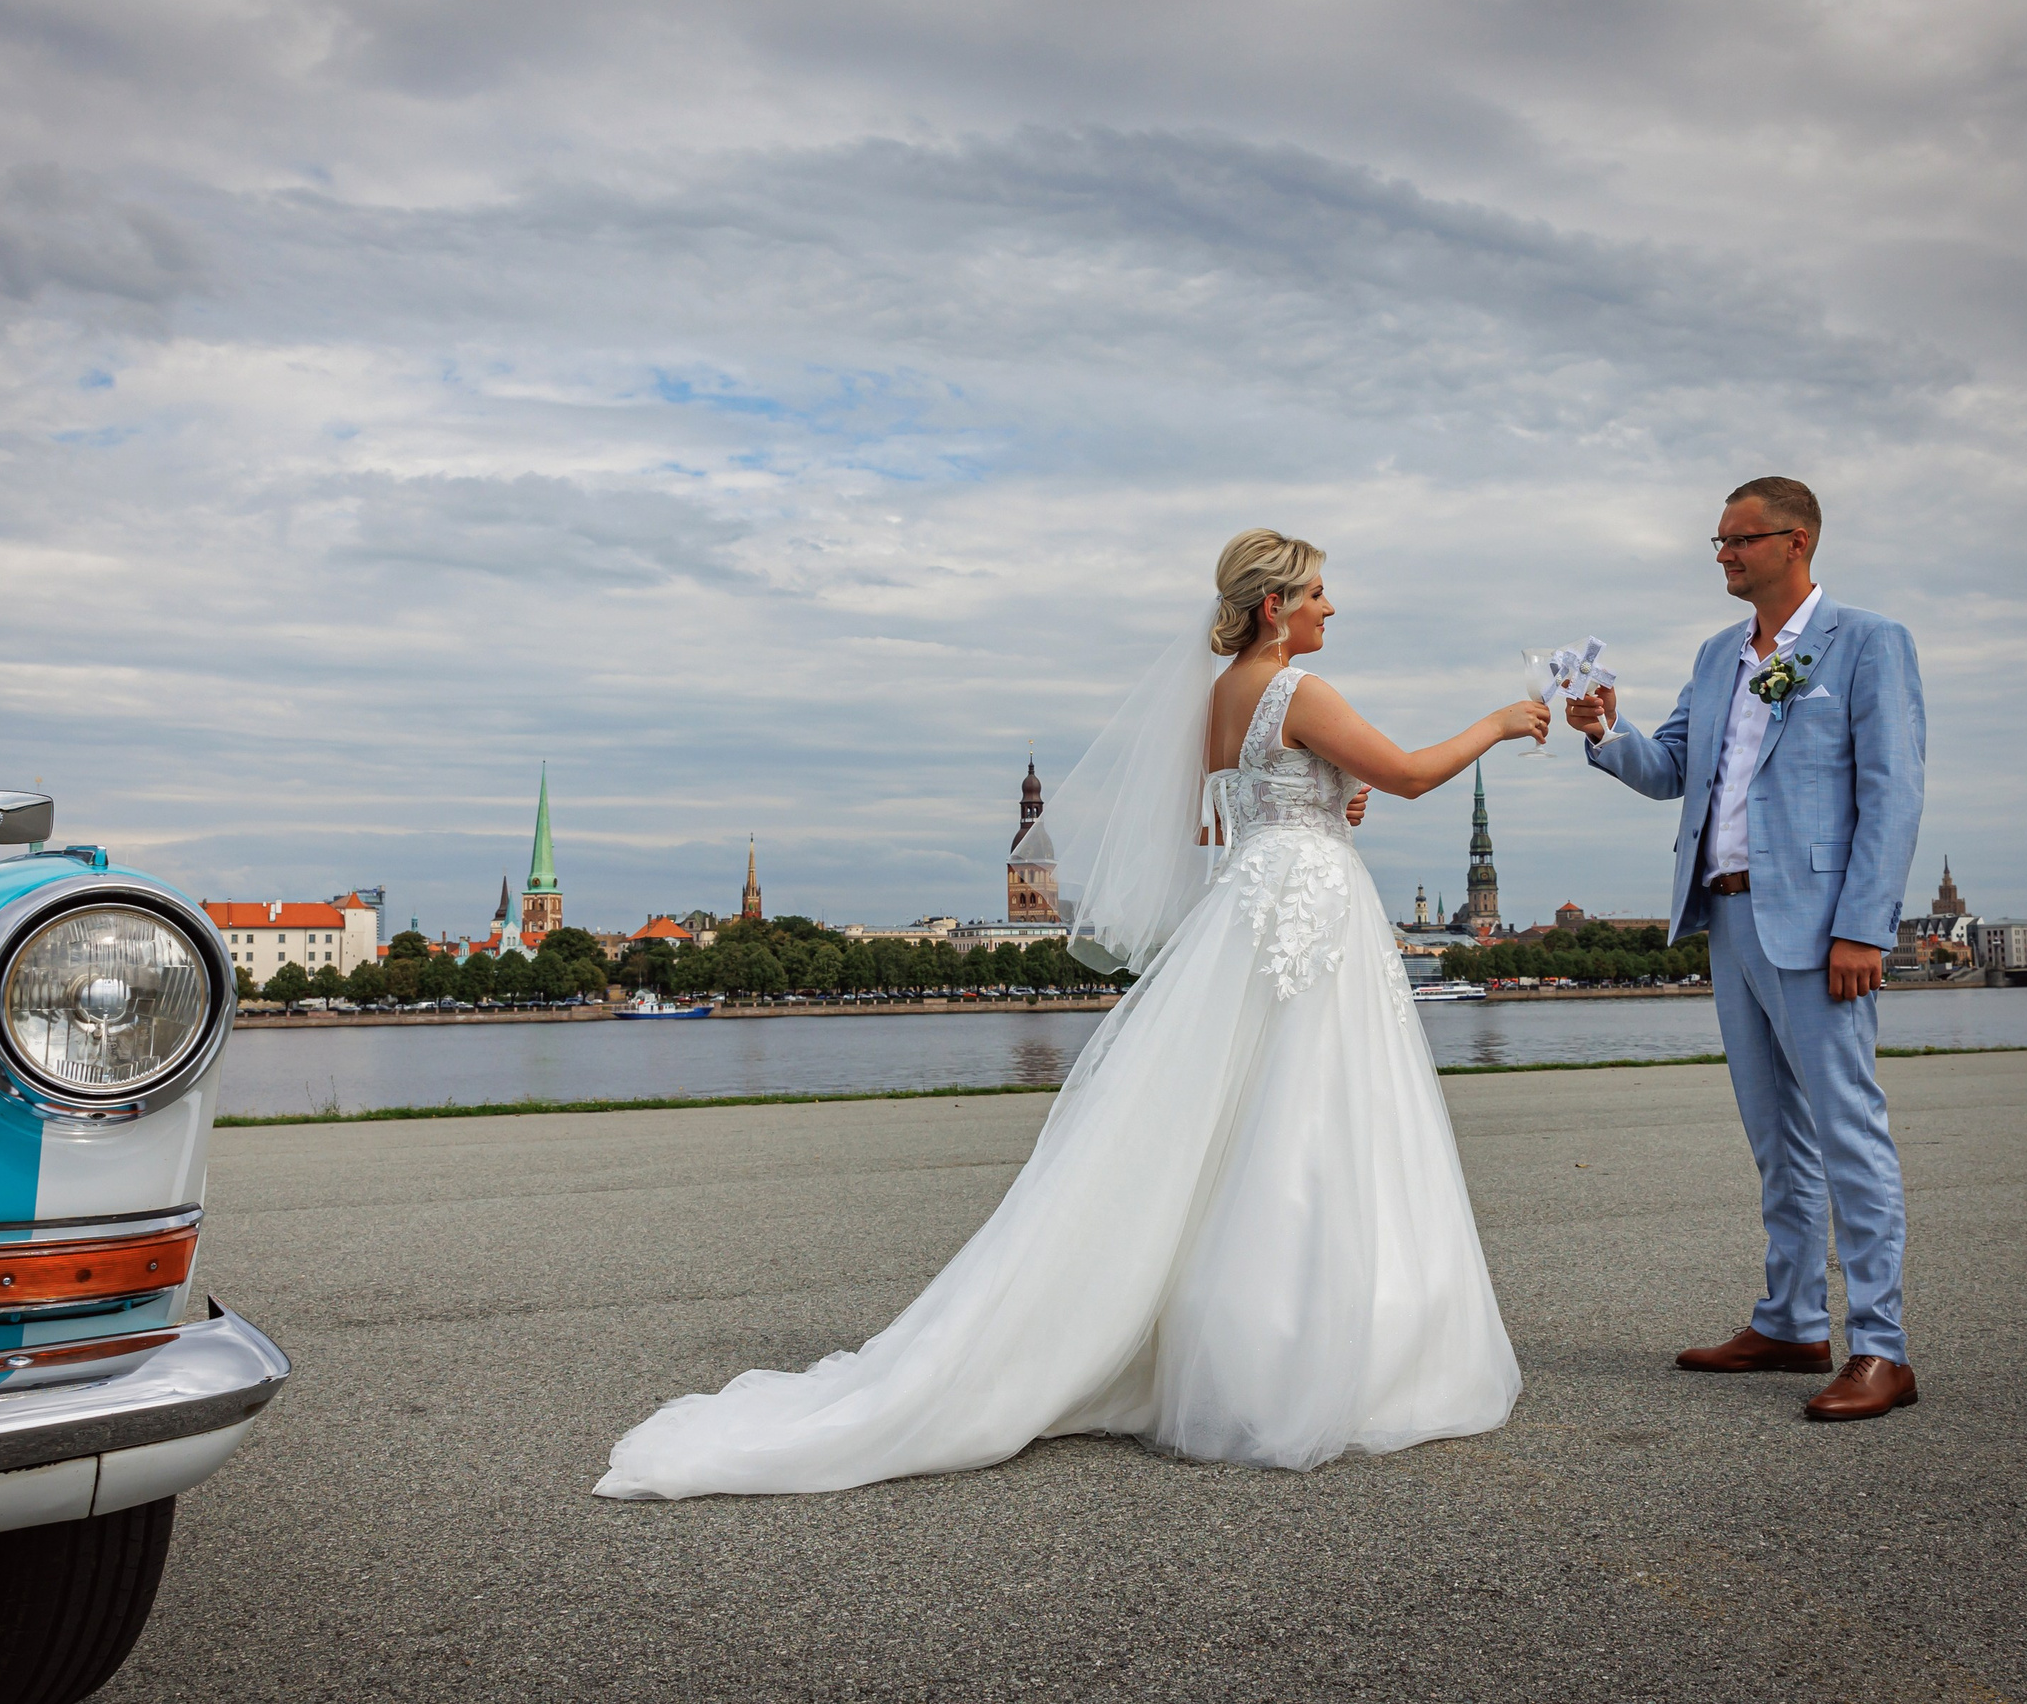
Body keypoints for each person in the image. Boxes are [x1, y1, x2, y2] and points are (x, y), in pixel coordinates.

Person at [595, 529, 1551, 1498]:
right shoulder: (1297, 693)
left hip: (1252, 902)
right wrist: (1502, 723)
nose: (1328, 609)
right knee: (1311, 1118)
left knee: (1241, 1121)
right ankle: (1311, 1348)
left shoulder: (1218, 699)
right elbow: (1416, 773)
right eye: (1316, 594)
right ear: (1274, 606)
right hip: (1312, 906)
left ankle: (1228, 1340)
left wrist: (1318, 801)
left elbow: (1207, 824)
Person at [1566, 477, 1926, 1421]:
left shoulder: (1870, 643)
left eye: (1738, 539)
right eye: (1717, 542)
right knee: (1777, 1138)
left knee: (1848, 1128)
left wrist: (1864, 926)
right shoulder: (1720, 653)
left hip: (1817, 925)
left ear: (1794, 541)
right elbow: (1670, 769)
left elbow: (1892, 792)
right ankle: (1792, 1323)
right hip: (1726, 920)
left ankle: (1882, 1350)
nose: (1722, 554)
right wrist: (1607, 730)